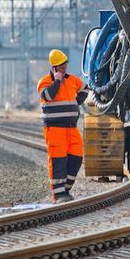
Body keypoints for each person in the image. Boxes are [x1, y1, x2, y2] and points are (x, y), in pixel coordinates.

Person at [37, 49, 89, 203]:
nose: (65, 69)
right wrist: (58, 81)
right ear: (54, 68)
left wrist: (76, 102)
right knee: (58, 160)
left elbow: (85, 89)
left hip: (71, 128)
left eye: (65, 65)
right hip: (55, 129)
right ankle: (58, 195)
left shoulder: (73, 80)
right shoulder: (45, 82)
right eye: (61, 67)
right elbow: (48, 96)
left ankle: (65, 189)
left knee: (77, 157)